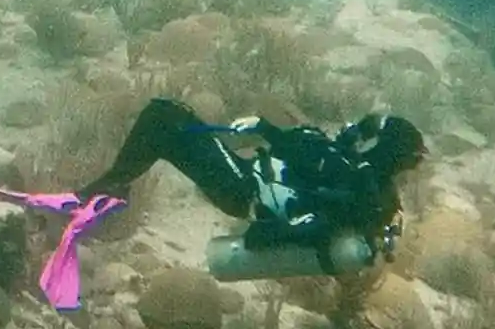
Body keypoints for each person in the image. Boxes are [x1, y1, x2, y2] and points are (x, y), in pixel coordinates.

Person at [76, 96, 426, 279]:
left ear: (380, 147)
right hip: (249, 178)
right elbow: (303, 158)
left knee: (166, 117)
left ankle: (95, 200)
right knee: (166, 131)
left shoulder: (358, 185)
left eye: (368, 131)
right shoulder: (359, 175)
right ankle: (103, 196)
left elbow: (313, 220)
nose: (355, 129)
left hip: (243, 189)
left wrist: (270, 235)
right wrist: (265, 128)